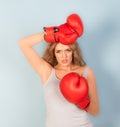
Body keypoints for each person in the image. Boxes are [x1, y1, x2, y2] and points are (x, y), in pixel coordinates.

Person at [19, 14, 100, 127]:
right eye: (59, 51)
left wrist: (81, 101)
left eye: (67, 50)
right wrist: (54, 33)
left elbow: (95, 111)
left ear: (73, 51)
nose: (64, 56)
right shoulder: (47, 71)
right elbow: (23, 44)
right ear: (54, 53)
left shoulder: (86, 72)